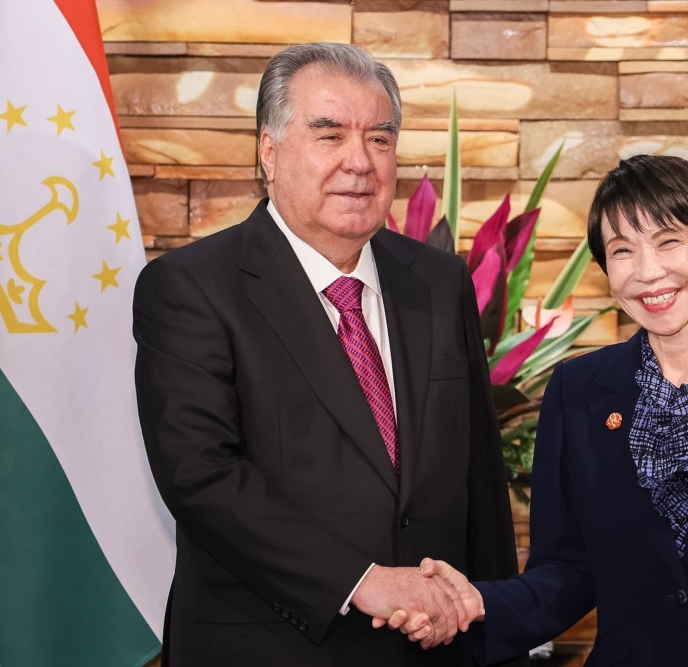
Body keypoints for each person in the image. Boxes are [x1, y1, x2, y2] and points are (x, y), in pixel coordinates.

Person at [132, 43, 519, 666]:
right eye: (330, 135)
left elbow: (479, 476)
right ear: (269, 151)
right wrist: (362, 581)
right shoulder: (191, 287)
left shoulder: (439, 281)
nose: (359, 162)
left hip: (436, 650)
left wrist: (499, 628)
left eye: (380, 139)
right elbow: (200, 475)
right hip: (269, 648)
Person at [408, 154, 688, 665]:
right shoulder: (576, 391)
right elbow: (567, 570)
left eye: (668, 241)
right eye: (623, 250)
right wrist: (479, 602)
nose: (648, 272)